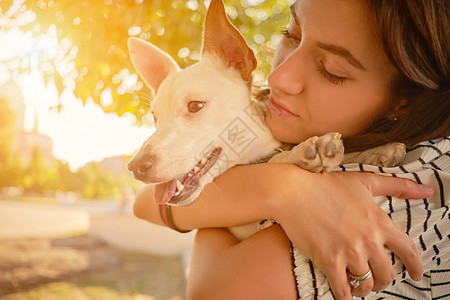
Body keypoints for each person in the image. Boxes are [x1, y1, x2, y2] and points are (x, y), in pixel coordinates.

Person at [133, 0, 449, 299]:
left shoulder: (423, 180)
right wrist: (284, 187)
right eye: (291, 34)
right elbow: (147, 203)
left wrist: (220, 210)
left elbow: (220, 290)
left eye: (331, 70)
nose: (276, 77)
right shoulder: (263, 114)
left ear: (408, 99)